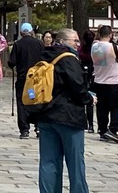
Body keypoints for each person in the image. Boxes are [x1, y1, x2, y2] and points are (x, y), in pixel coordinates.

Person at [34, 28, 93, 193]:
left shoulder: (44, 56)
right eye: (74, 40)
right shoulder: (69, 59)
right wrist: (89, 98)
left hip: (45, 113)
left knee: (48, 161)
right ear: (63, 41)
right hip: (68, 116)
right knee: (75, 162)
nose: (78, 43)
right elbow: (78, 87)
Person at [90, 25, 118, 143]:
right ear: (110, 35)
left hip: (99, 81)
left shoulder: (94, 46)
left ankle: (102, 130)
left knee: (102, 108)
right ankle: (113, 129)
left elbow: (100, 61)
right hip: (113, 82)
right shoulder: (113, 46)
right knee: (117, 107)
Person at [8, 22, 45, 139]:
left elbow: (12, 62)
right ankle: (38, 126)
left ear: (20, 32)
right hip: (36, 79)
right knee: (35, 100)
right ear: (32, 32)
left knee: (22, 102)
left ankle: (24, 129)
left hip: (23, 79)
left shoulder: (18, 44)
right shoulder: (39, 43)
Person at [78, 30, 96, 133]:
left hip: (83, 74)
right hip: (93, 74)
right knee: (92, 99)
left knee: (85, 99)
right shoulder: (96, 49)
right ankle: (91, 125)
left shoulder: (81, 49)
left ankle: (88, 124)